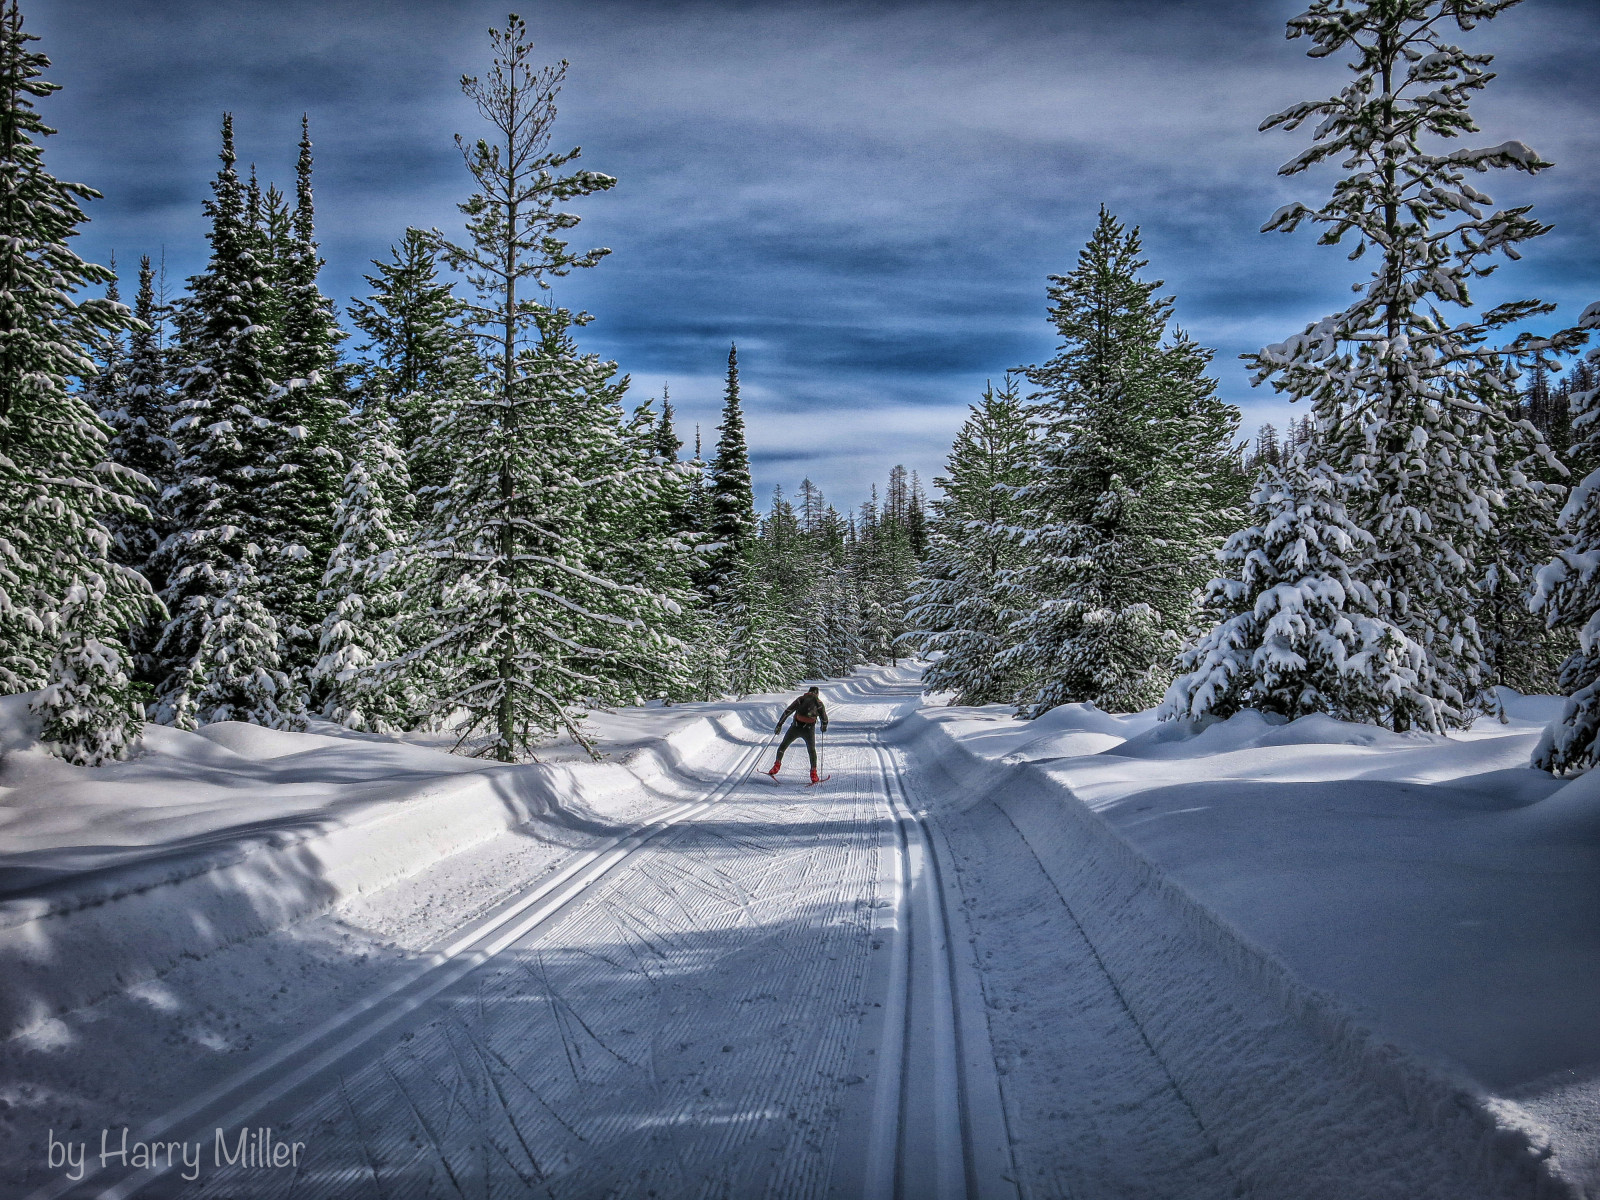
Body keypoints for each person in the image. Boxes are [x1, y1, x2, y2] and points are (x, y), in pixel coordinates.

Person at [768, 685, 829, 783]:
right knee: (811, 751)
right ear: (817, 694)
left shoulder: (801, 699)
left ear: (808, 692)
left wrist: (779, 724)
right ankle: (814, 774)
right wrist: (824, 726)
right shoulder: (819, 703)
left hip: (795, 727)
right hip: (809, 729)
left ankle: (776, 766)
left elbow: (788, 711)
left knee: (783, 746)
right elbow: (824, 718)